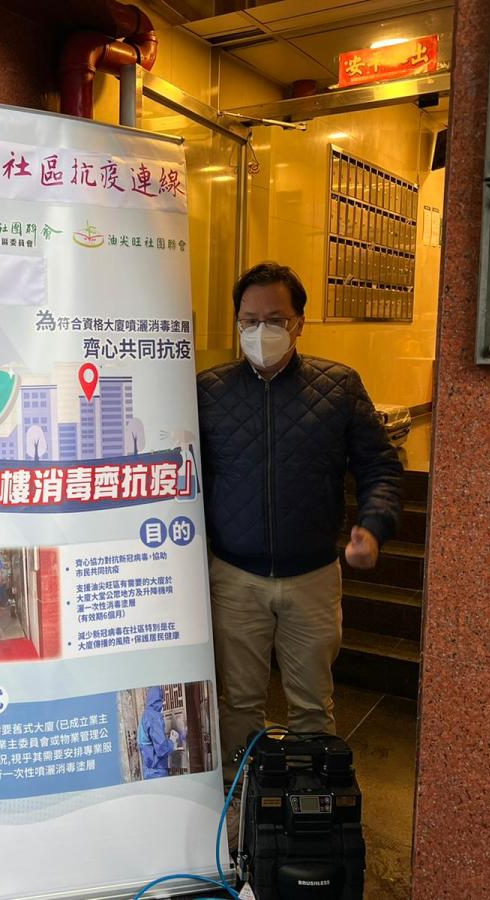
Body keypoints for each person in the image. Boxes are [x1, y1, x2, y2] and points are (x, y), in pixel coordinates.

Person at [196, 261, 402, 781]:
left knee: (312, 703)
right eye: (249, 320)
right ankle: (242, 800)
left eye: (275, 319)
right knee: (239, 702)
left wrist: (373, 526)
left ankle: (311, 803)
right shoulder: (209, 392)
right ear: (237, 321)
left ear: (299, 323)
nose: (260, 331)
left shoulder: (339, 387)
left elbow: (380, 466)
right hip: (234, 578)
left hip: (313, 576)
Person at [137, 686, 182, 779]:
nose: (162, 704)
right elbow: (162, 749)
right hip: (157, 770)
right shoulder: (153, 717)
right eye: (161, 700)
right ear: (158, 700)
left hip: (149, 769)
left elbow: (151, 742)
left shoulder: (146, 715)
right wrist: (172, 742)